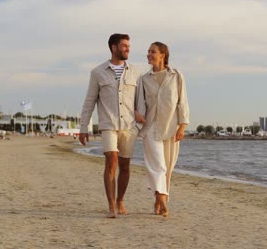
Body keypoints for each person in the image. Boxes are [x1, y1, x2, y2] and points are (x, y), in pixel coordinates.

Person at [78, 33, 141, 218]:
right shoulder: (97, 72)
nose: (128, 49)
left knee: (125, 165)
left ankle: (120, 199)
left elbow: (141, 101)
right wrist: (83, 128)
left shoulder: (136, 72)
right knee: (111, 161)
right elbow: (89, 101)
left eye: (129, 45)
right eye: (124, 46)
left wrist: (141, 119)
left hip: (129, 126)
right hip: (108, 124)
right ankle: (111, 205)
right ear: (114, 47)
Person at [136, 42, 190, 217]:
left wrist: (183, 125)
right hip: (150, 126)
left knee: (167, 167)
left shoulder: (176, 76)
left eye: (153, 52)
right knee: (158, 165)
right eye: (148, 51)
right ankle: (163, 201)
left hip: (171, 126)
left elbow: (182, 102)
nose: (148, 54)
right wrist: (138, 115)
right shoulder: (144, 79)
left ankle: (157, 200)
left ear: (163, 55)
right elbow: (139, 104)